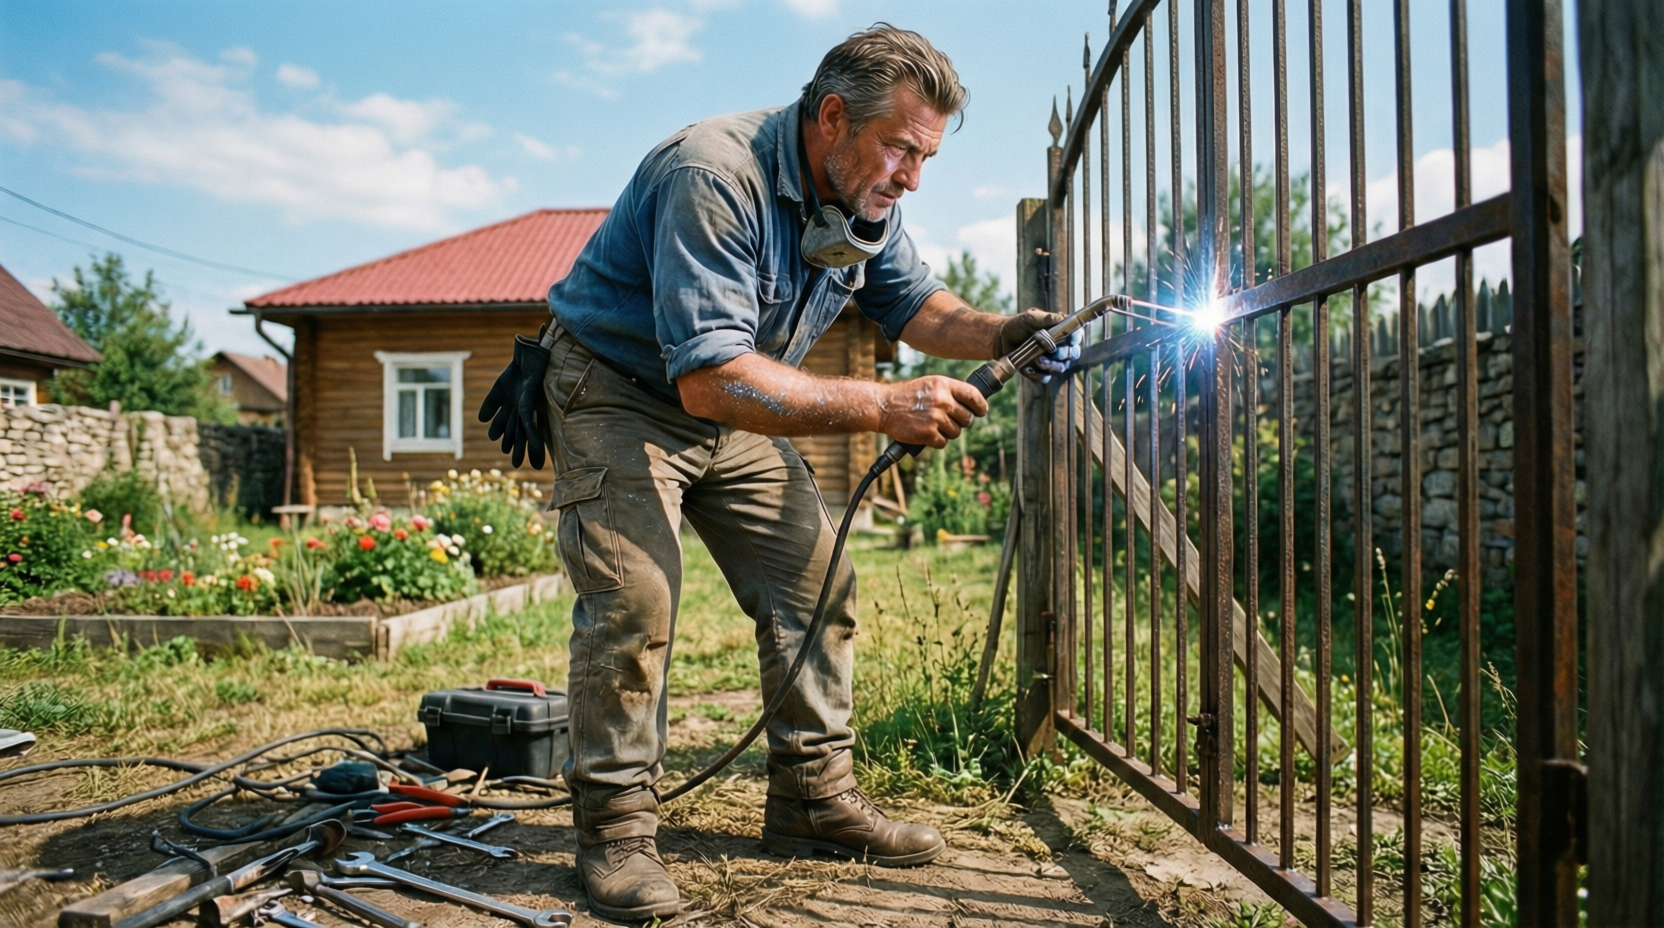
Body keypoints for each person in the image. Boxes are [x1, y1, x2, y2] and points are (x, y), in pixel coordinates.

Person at [531, 24, 1074, 921]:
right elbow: (707, 376)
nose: (912, 176)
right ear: (832, 117)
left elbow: (913, 304)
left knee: (815, 577)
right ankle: (617, 831)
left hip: (727, 400)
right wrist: (886, 405)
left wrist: (1000, 333)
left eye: (925, 156)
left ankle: (812, 800)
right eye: (903, 148)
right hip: (619, 392)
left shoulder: (864, 194)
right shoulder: (712, 176)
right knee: (636, 600)